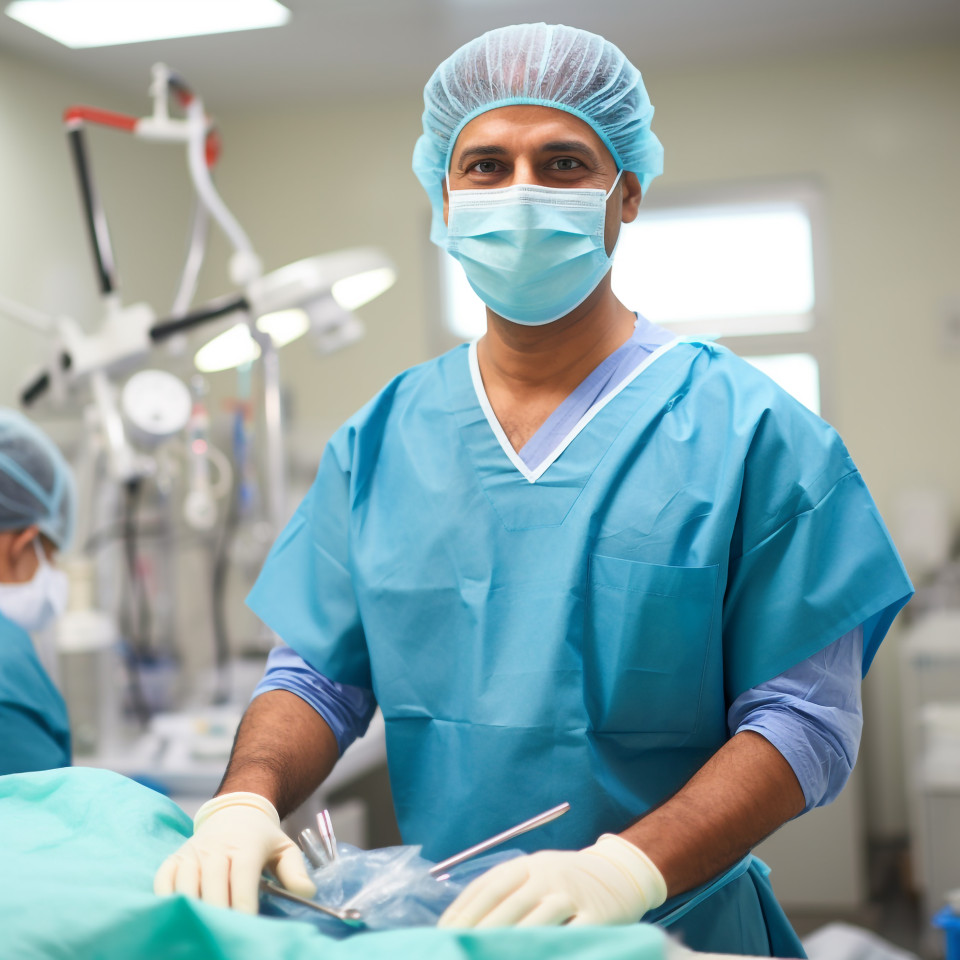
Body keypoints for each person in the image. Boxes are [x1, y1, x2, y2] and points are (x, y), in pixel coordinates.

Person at [154, 23, 913, 954]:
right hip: (455, 930)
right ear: (444, 194)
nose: (519, 192)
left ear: (624, 194)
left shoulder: (754, 433)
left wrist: (625, 868)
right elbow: (315, 674)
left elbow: (805, 723)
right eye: (484, 165)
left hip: (676, 927)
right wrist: (244, 798)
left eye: (561, 163)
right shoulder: (384, 437)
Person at [0, 408, 74, 774]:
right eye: (50, 556)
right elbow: (44, 824)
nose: (53, 573)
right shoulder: (6, 670)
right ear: (24, 541)